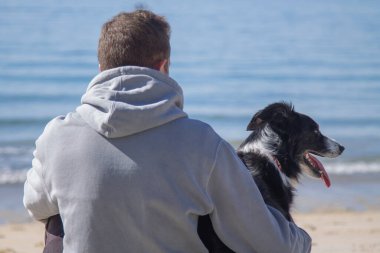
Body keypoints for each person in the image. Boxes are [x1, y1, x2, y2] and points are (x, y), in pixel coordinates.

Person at [23, 9, 312, 252]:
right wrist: (302, 239)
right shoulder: (202, 144)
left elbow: (35, 206)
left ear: (101, 69)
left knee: (57, 219)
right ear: (163, 67)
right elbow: (269, 243)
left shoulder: (56, 136)